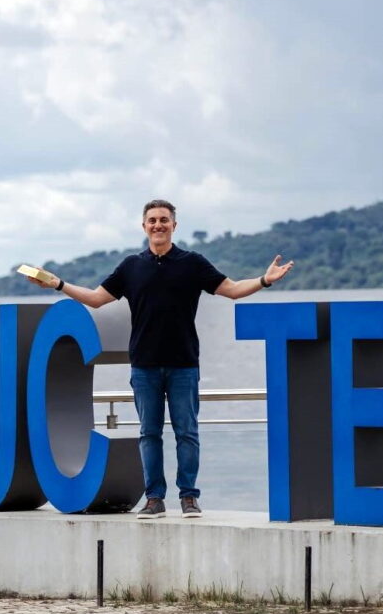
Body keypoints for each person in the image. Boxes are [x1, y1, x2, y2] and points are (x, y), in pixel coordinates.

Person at [27, 199, 293, 519]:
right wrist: (57, 283)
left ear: (174, 226)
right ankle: (154, 498)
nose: (158, 225)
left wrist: (264, 280)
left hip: (183, 363)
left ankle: (189, 497)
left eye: (164, 220)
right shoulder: (131, 267)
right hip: (144, 366)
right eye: (152, 220)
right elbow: (97, 299)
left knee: (187, 433)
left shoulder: (193, 263)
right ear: (144, 226)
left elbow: (233, 289)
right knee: (148, 434)